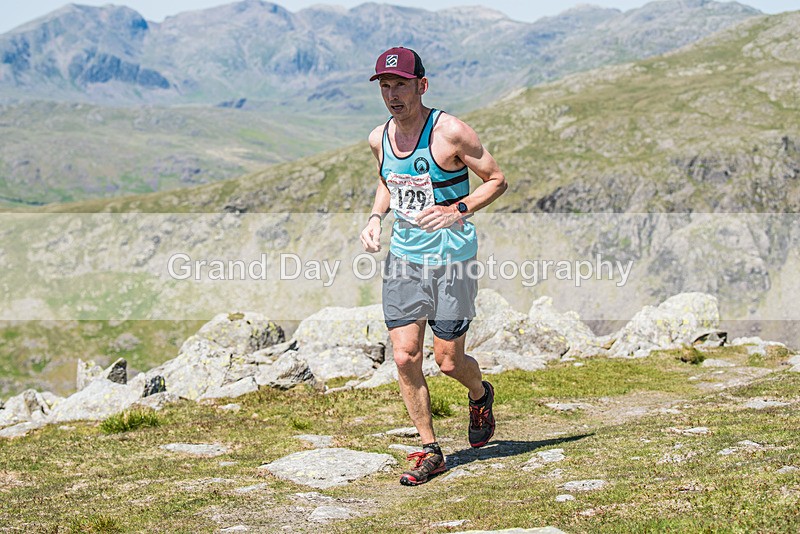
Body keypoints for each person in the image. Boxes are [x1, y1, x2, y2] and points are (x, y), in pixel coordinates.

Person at [359, 47, 508, 486]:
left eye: (401, 85)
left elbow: (497, 180)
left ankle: (480, 393)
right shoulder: (378, 138)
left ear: (421, 85)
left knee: (447, 361)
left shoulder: (451, 132)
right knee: (405, 356)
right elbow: (388, 180)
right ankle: (429, 450)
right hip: (405, 258)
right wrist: (374, 218)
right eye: (385, 86)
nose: (392, 95)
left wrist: (458, 209)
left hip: (452, 260)